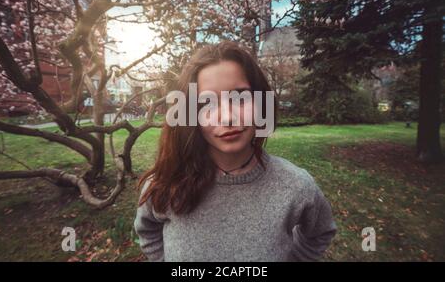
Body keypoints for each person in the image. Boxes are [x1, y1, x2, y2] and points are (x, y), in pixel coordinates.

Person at [134, 41, 337, 261]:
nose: (228, 117)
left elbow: (320, 232)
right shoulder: (165, 182)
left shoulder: (296, 186)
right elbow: (147, 230)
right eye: (207, 104)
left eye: (241, 97)